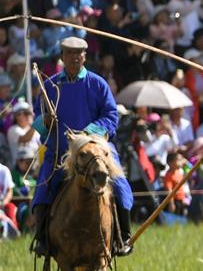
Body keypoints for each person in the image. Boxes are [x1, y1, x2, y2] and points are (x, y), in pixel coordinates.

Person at [30, 36, 135, 257]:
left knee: (119, 182)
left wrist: (87, 133)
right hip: (60, 150)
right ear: (62, 56)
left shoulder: (98, 84)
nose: (74, 57)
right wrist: (45, 122)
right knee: (44, 185)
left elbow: (111, 116)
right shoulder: (50, 86)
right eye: (69, 53)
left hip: (95, 149)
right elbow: (37, 118)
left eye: (79, 53)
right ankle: (42, 239)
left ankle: (123, 236)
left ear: (85, 56)